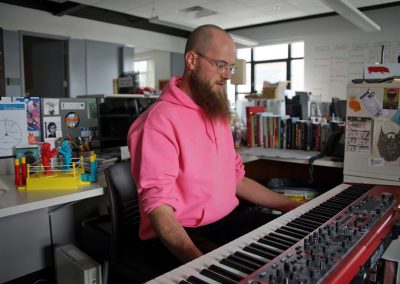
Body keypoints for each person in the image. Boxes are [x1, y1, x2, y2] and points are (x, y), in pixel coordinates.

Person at [128, 24, 303, 271]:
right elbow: (159, 209)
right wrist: (201, 268)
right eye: (220, 65)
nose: (228, 75)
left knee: (296, 243)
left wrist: (291, 205)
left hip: (228, 221)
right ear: (191, 60)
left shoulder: (214, 111)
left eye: (231, 67)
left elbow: (237, 179)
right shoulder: (157, 122)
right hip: (186, 233)